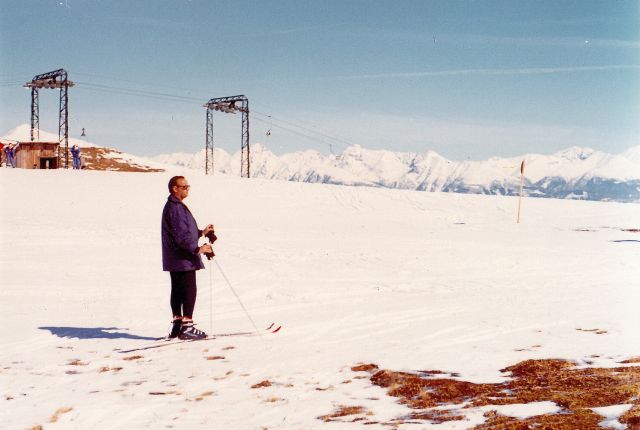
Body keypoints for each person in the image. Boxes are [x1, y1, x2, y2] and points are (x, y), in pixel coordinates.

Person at [161, 176, 215, 340]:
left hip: (176, 257)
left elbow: (184, 232)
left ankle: (177, 325)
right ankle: (187, 327)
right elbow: (181, 236)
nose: (187, 189)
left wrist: (201, 233)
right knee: (189, 290)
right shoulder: (176, 208)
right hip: (184, 258)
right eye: (184, 187)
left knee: (177, 290)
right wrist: (198, 249)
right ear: (174, 188)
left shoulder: (173, 206)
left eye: (188, 186)